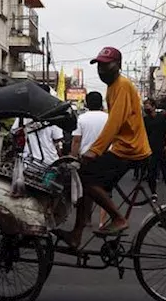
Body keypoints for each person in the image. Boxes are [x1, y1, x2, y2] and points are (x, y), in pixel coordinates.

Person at [59, 46, 152, 248]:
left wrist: (95, 151)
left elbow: (115, 122)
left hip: (130, 149)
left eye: (105, 65)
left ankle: (118, 218)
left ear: (118, 65)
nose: (101, 70)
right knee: (84, 175)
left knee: (87, 177)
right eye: (99, 65)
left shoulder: (123, 85)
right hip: (121, 147)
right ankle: (77, 232)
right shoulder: (112, 87)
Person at [142, 98, 166, 199]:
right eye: (145, 106)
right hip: (150, 149)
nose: (146, 108)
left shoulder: (161, 117)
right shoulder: (145, 120)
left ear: (153, 106)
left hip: (162, 147)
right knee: (151, 172)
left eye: (148, 105)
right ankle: (153, 193)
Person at [70, 91, 109, 157]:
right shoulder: (109, 118)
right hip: (105, 156)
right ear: (101, 103)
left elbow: (76, 141)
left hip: (86, 157)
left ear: (86, 104)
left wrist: (73, 157)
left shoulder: (81, 118)